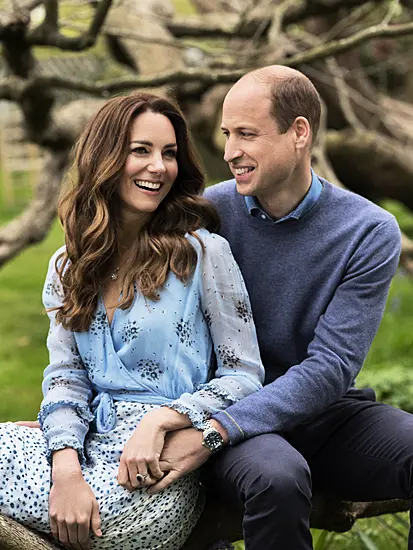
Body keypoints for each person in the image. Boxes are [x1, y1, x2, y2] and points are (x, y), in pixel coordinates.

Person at [144, 65, 413, 550]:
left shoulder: (368, 231)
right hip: (230, 411)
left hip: (320, 415)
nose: (230, 153)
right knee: (278, 479)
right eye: (226, 134)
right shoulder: (208, 214)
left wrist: (215, 432)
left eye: (247, 134)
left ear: (300, 133)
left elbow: (331, 368)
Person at [1, 91, 264, 550]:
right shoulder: (69, 265)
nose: (158, 167)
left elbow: (243, 375)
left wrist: (163, 419)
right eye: (140, 150)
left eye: (169, 154)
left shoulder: (203, 255)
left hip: (159, 466)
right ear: (104, 158)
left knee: (109, 526)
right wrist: (64, 468)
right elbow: (65, 377)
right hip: (85, 443)